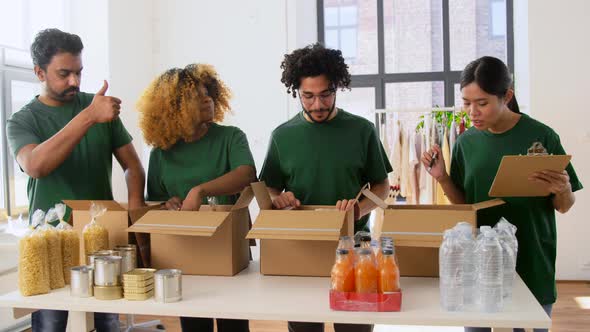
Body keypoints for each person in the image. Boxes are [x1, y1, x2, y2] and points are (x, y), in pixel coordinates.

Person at [421, 56, 582, 332]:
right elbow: (464, 206)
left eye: (482, 103)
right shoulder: (465, 143)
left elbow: (564, 206)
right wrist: (443, 178)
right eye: (466, 103)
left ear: (506, 96)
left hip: (532, 259)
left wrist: (563, 190)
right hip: (479, 260)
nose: (472, 112)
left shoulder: (542, 136)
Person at [6, 28, 145, 332]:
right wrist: (88, 117)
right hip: (50, 241)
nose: (75, 81)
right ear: (39, 72)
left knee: (107, 321)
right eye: (64, 73)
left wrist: (135, 215)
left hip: (101, 238)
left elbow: (132, 166)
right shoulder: (23, 120)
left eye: (79, 72)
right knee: (52, 323)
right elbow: (36, 166)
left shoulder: (99, 109)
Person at [259, 43, 392, 332]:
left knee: (354, 328)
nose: (317, 105)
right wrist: (279, 198)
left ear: (337, 88)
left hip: (357, 248)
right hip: (303, 249)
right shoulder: (282, 136)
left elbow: (382, 186)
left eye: (325, 94)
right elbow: (268, 190)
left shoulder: (362, 130)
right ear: (296, 91)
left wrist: (360, 208)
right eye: (308, 96)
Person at [138, 63, 256, 332]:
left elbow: (247, 174)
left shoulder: (231, 137)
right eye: (197, 95)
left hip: (228, 248)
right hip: (185, 252)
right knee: (194, 325)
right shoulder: (161, 152)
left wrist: (199, 191)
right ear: (176, 106)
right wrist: (168, 204)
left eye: (209, 93)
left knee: (234, 326)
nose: (208, 99)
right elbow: (156, 203)